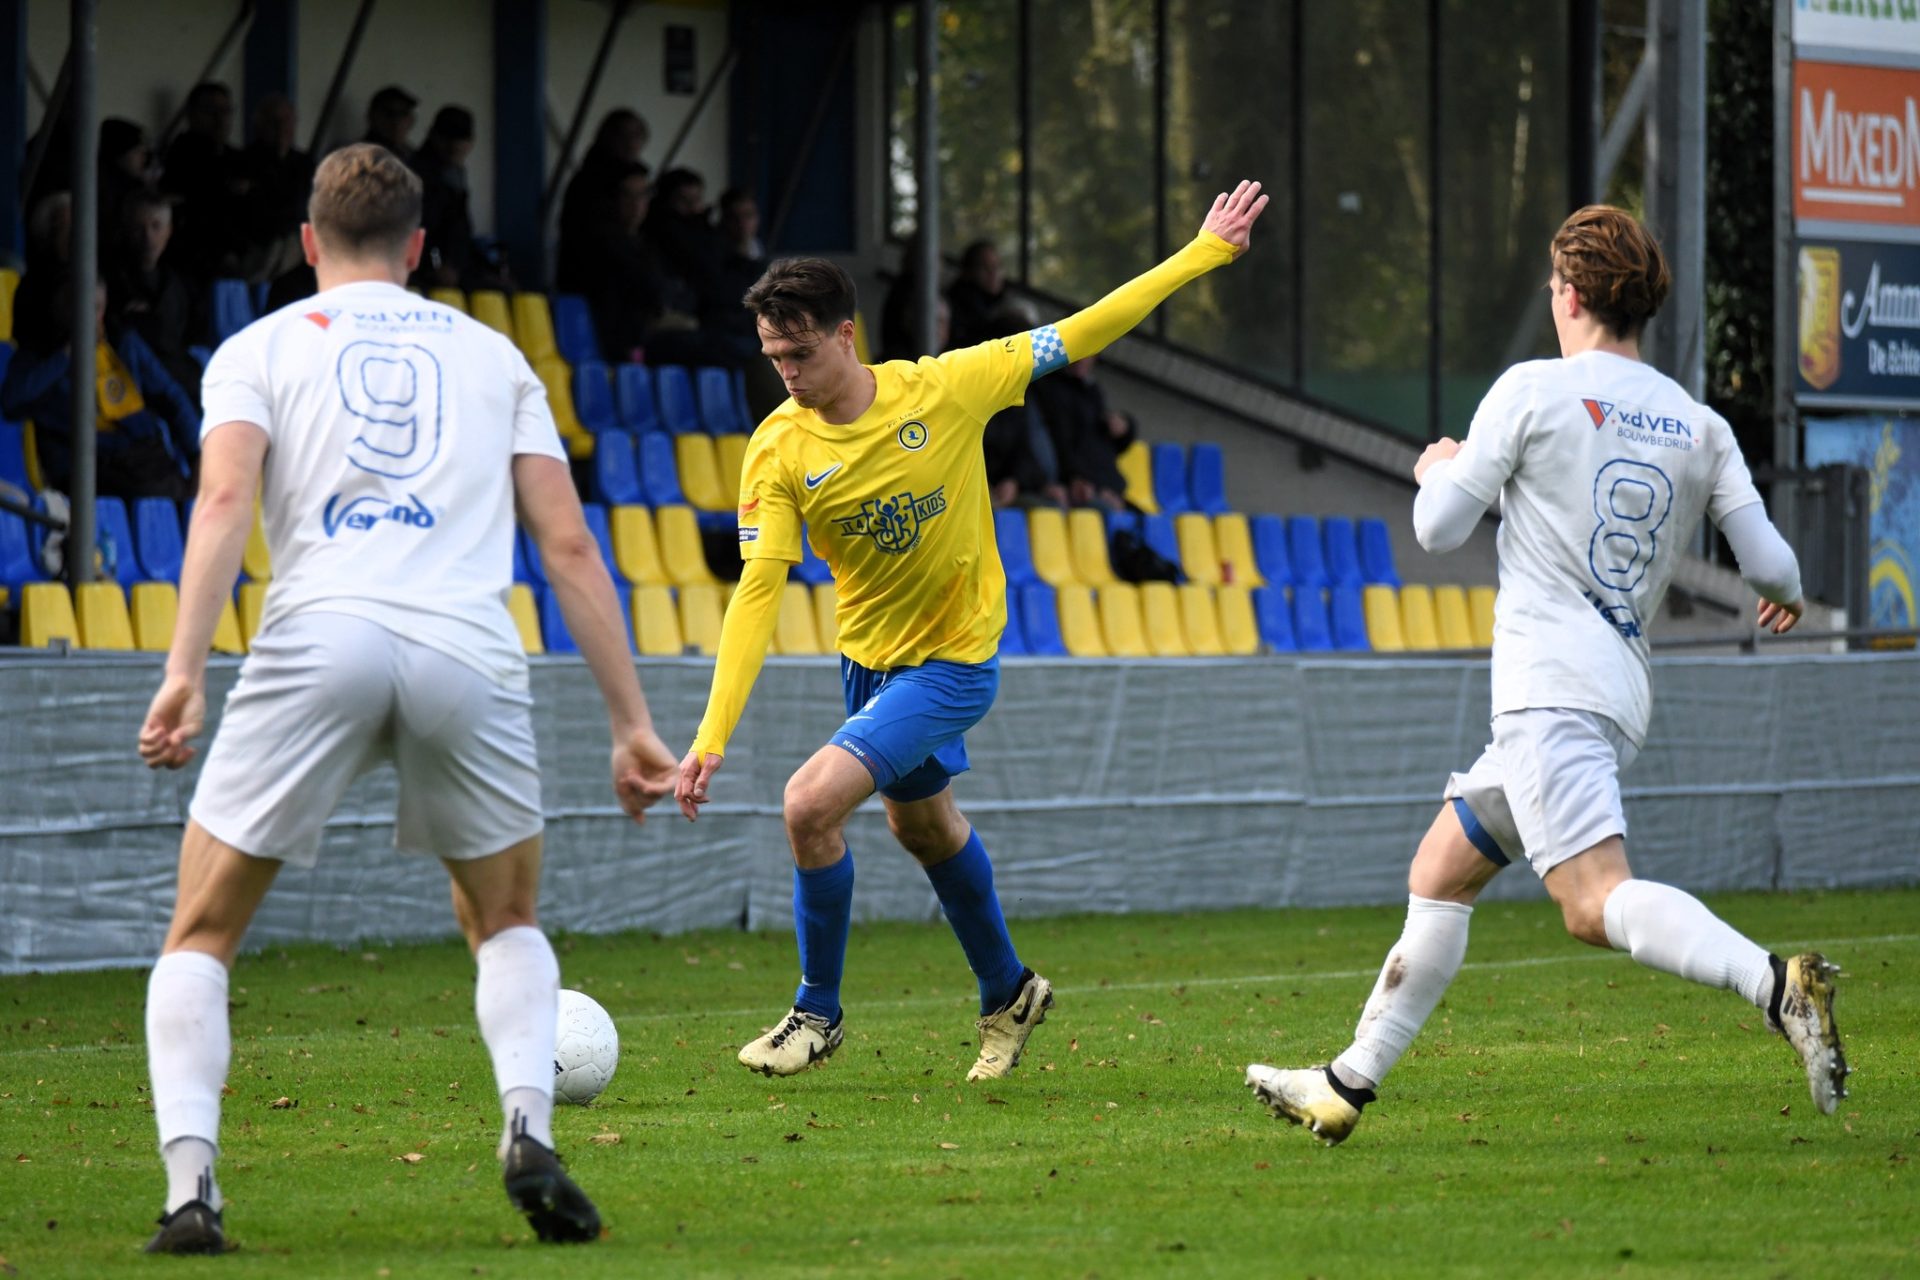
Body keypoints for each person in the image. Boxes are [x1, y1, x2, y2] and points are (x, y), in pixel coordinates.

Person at [133, 144, 679, 1254]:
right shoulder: (495, 356)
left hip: (316, 638)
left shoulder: (258, 347)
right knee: (505, 921)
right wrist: (632, 724)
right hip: (464, 649)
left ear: (306, 243)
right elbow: (569, 543)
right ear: (421, 247)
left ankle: (193, 1192)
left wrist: (185, 667)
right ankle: (528, 1127)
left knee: (202, 928)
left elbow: (226, 498)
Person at [1245, 205, 1848, 1146]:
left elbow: (1440, 527)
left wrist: (1434, 467)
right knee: (1441, 871)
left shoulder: (1531, 390)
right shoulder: (1699, 424)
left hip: (1546, 690)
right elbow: (1771, 567)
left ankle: (1774, 985)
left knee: (1591, 901)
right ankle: (1345, 1083)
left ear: (1567, 294)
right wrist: (1792, 595)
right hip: (1612, 692)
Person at [674, 180, 1269, 1081]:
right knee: (924, 830)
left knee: (806, 805)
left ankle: (816, 1014)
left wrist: (1203, 253)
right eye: (773, 358)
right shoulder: (778, 447)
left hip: (952, 661)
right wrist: (711, 734)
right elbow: (759, 592)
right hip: (868, 665)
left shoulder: (949, 387)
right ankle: (1010, 990)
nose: (787, 374)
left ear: (846, 335)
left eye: (800, 353)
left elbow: (1084, 330)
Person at [1, 278, 199, 502]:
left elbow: (171, 395)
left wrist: (197, 455)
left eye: (95, 308)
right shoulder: (40, 353)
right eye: (78, 305)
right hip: (86, 465)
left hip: (143, 457)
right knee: (153, 495)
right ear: (61, 306)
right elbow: (11, 400)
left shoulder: (122, 342)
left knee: (187, 494)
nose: (88, 316)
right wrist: (67, 355)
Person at [106, 189, 205, 402]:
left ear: (169, 231)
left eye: (156, 226)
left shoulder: (178, 283)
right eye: (138, 229)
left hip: (183, 382)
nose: (148, 237)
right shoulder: (112, 282)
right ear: (125, 230)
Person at [161, 82, 247, 280]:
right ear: (192, 114)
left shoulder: (237, 159)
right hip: (196, 260)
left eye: (226, 111)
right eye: (211, 111)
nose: (220, 119)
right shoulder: (179, 157)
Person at [1030, 353, 1136, 510]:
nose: (1082, 359)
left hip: (1101, 483)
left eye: (1089, 354)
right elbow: (1061, 443)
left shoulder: (1092, 391)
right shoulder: (1051, 389)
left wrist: (1126, 427)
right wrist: (1078, 478)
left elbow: (1103, 447)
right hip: (1076, 484)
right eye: (1079, 352)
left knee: (1144, 520)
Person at [557, 108, 649, 279]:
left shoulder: (628, 176)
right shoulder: (591, 184)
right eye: (625, 137)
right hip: (594, 279)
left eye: (637, 136)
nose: (632, 143)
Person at [238, 94, 315, 284]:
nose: (281, 128)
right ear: (259, 125)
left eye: (286, 121)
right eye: (273, 122)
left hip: (295, 242)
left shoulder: (305, 164)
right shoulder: (243, 161)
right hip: (256, 243)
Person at [408, 106, 477, 288]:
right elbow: (426, 227)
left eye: (461, 139)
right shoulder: (420, 174)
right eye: (448, 139)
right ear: (433, 136)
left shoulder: (454, 173)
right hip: (425, 273)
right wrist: (438, 265)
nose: (454, 146)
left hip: (447, 268)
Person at [944, 239, 1006, 350]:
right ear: (968, 271)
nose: (993, 273)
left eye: (997, 266)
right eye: (985, 267)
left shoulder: (1002, 302)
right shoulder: (956, 306)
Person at [362, 85, 418, 161]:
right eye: (389, 113)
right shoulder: (360, 154)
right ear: (373, 116)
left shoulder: (410, 154)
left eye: (403, 113)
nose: (397, 121)